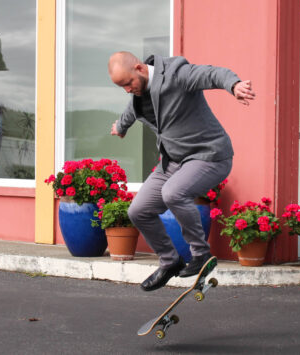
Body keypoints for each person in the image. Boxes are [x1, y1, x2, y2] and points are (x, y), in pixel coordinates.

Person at [108, 51, 255, 291]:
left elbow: (212, 74)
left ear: (139, 68)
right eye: (121, 86)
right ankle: (170, 261)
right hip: (174, 161)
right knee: (138, 211)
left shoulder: (178, 74)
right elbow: (131, 112)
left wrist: (234, 85)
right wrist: (120, 127)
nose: (126, 89)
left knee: (173, 193)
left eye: (127, 83)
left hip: (210, 155)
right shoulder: (138, 92)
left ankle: (201, 254)